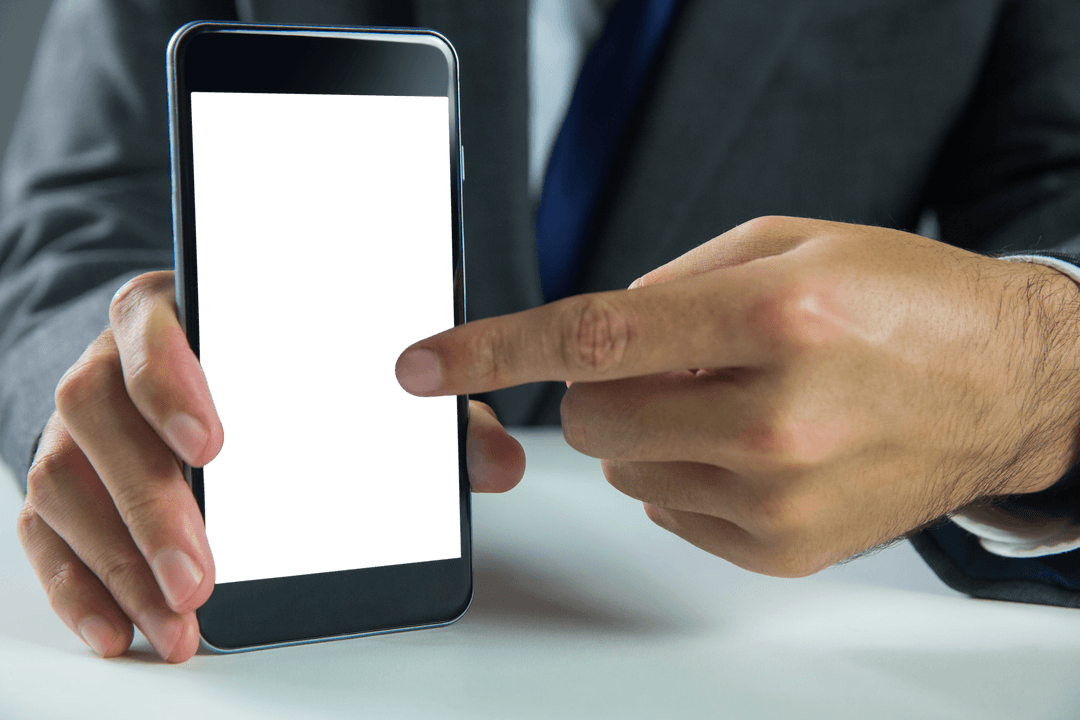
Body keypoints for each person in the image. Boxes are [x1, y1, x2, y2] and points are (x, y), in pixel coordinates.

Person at [1, 0, 1079, 664]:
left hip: (759, 646)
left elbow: (1059, 182)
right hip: (282, 623)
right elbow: (76, 221)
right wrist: (109, 388)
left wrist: (1042, 381)